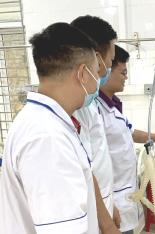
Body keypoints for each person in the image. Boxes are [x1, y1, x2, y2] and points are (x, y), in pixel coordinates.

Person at [0, 22, 100, 234]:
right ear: (83, 74)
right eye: (96, 72)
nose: (97, 81)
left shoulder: (46, 123)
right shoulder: (47, 137)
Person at [97, 45, 155, 234]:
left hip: (125, 199)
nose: (126, 77)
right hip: (111, 204)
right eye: (123, 72)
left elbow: (131, 132)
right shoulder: (95, 109)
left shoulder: (112, 106)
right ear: (105, 69)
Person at [71, 15, 120, 232]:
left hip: (102, 208)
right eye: (111, 62)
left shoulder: (90, 100)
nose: (110, 67)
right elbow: (86, 171)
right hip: (91, 218)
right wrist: (107, 224)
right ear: (97, 59)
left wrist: (112, 206)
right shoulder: (78, 106)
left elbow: (98, 162)